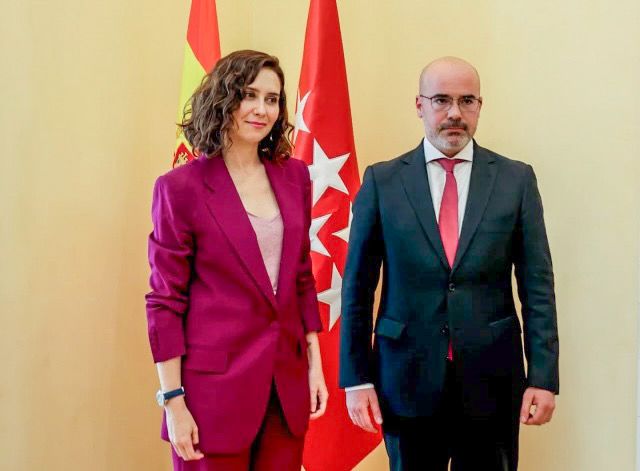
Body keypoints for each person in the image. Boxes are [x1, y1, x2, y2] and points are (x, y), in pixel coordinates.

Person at [339, 57, 559, 470]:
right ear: (419, 105)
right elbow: (357, 288)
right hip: (405, 381)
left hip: (492, 384)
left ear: (479, 106)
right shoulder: (382, 181)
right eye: (441, 100)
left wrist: (543, 377)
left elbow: (537, 288)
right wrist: (357, 377)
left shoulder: (515, 180)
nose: (454, 113)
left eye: (466, 100)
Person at [146, 50, 328, 471]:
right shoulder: (180, 188)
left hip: (286, 389)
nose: (262, 109)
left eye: (272, 99)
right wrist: (172, 400)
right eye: (249, 95)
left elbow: (301, 276)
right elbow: (165, 300)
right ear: (224, 98)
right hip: (211, 396)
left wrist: (314, 365)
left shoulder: (295, 176)